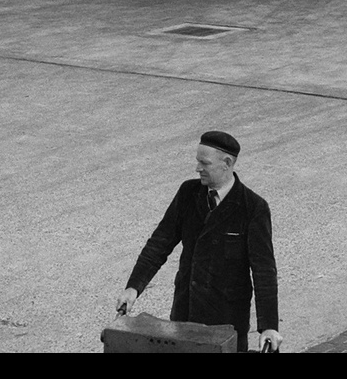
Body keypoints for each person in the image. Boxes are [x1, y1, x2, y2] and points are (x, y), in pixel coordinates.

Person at [119, 131, 280, 354]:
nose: (197, 168)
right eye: (197, 161)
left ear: (227, 163)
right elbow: (160, 243)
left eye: (204, 163)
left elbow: (264, 272)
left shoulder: (253, 208)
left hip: (226, 324)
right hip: (185, 316)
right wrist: (133, 287)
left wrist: (269, 326)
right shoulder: (188, 193)